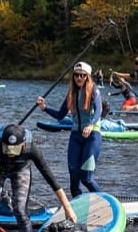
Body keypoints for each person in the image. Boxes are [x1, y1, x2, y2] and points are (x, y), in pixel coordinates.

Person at [36, 61, 103, 197]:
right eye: (76, 75)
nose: (79, 78)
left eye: (82, 75)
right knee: (73, 177)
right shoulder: (71, 93)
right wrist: (44, 108)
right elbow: (60, 114)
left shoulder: (94, 90)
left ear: (87, 77)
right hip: (76, 136)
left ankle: (104, 204)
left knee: (86, 178)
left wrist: (90, 125)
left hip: (92, 136)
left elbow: (99, 109)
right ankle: (77, 206)